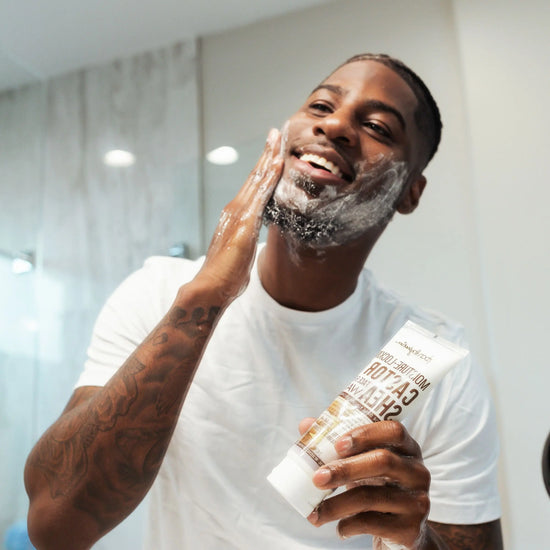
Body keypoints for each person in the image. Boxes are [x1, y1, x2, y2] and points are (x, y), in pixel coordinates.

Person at [24, 54, 503, 549]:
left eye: (378, 127)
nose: (335, 125)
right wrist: (208, 297)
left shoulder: (436, 361)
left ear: (410, 192)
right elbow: (56, 526)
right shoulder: (158, 294)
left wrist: (415, 540)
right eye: (321, 105)